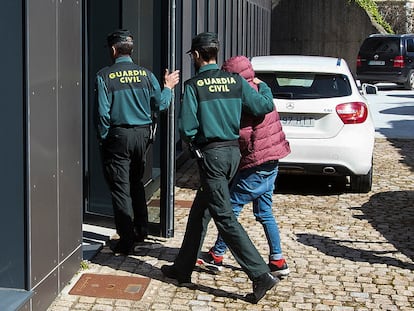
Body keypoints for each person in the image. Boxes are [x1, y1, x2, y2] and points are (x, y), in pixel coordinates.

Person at [161, 32, 278, 304]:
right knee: (201, 211)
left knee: (224, 217)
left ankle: (260, 274)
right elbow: (263, 105)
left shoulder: (194, 86)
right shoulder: (236, 81)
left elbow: (187, 128)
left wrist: (192, 143)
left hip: (211, 156)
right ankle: (182, 268)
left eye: (192, 56)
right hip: (232, 155)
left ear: (198, 56)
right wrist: (264, 86)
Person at [197, 55, 291, 277]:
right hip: (272, 159)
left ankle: (217, 255)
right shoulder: (260, 89)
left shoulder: (240, 95)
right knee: (265, 211)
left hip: (255, 162)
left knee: (230, 208)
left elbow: (243, 134)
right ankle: (278, 260)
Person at [96, 29, 180, 255]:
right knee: (136, 183)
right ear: (130, 50)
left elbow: (103, 114)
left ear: (113, 50)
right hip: (142, 137)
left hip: (118, 136)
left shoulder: (104, 76)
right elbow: (161, 105)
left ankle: (126, 241)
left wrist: (104, 138)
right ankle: (142, 228)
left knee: (120, 188)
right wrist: (168, 88)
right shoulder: (146, 75)